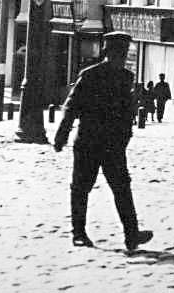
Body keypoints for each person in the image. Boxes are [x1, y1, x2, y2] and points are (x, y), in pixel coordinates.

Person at [53, 31, 153, 252]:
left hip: (110, 144)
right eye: (119, 53)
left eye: (124, 53)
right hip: (91, 142)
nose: (122, 57)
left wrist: (126, 135)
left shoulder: (126, 77)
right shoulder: (90, 75)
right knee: (83, 187)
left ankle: (131, 235)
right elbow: (72, 106)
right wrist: (62, 134)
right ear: (108, 52)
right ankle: (79, 233)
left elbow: (127, 111)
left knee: (120, 188)